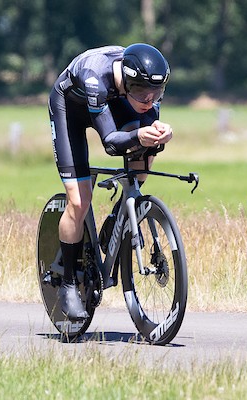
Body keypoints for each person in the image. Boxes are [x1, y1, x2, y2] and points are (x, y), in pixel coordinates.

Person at [48, 43, 173, 321]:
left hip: (114, 101)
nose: (149, 99)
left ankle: (116, 220)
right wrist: (139, 135)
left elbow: (145, 130)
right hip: (71, 108)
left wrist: (158, 134)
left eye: (157, 93)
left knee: (143, 160)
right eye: (141, 92)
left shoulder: (146, 89)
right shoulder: (96, 76)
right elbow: (111, 144)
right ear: (127, 81)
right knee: (79, 202)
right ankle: (68, 283)